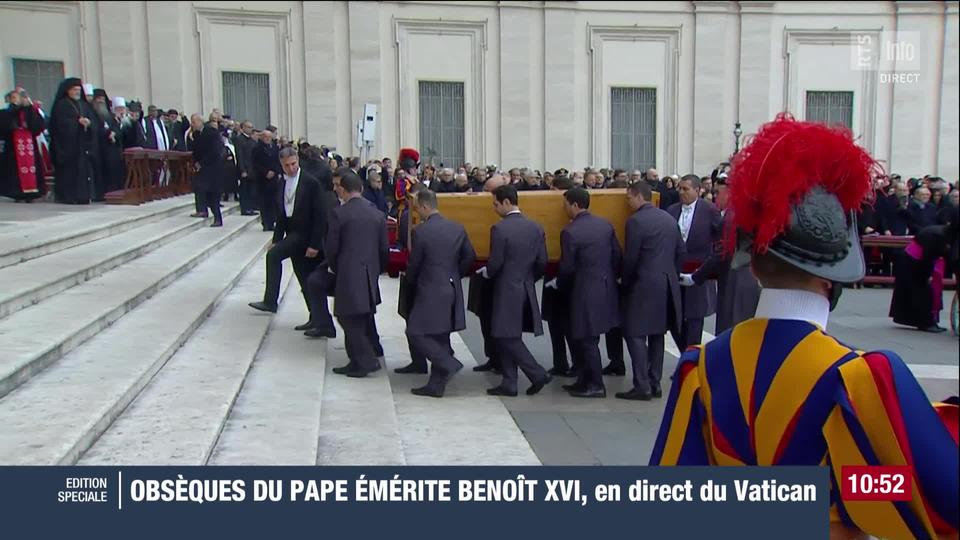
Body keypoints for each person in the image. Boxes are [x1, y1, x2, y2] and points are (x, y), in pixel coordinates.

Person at [651, 114, 958, 540]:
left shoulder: (699, 369)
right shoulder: (860, 377)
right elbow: (940, 498)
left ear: (754, 265)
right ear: (833, 279)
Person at [480, 185, 552, 397]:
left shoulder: (500, 229)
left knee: (505, 336)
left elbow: (495, 263)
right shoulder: (536, 227)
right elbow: (542, 262)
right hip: (525, 287)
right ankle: (509, 382)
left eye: (495, 204)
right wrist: (529, 279)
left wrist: (486, 273)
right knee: (510, 334)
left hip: (506, 289)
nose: (494, 208)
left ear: (506, 202)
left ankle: (536, 373)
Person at [403, 188, 476, 396]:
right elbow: (469, 256)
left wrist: (409, 281)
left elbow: (415, 264)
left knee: (416, 332)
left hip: (429, 288)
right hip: (451, 286)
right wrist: (454, 274)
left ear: (425, 206)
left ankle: (449, 363)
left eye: (418, 208)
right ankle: (436, 385)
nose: (417, 212)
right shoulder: (457, 228)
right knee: (440, 337)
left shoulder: (421, 232)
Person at [616, 181, 684, 401]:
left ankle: (642, 384)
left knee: (634, 333)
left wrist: (624, 282)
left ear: (638, 196)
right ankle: (655, 382)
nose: (627, 202)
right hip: (666, 282)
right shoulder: (668, 218)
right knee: (657, 333)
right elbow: (680, 252)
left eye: (628, 197)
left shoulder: (635, 222)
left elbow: (632, 257)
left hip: (643, 284)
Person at [248, 146, 327, 322]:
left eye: (293, 164)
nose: (291, 168)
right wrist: (276, 239)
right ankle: (317, 319)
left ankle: (270, 301)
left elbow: (320, 215)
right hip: (291, 231)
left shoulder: (311, 182)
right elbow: (281, 214)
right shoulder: (282, 183)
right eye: (286, 166)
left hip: (305, 233)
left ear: (298, 160)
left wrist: (315, 244)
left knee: (273, 256)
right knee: (304, 277)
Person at [557, 188, 621, 398]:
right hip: (605, 287)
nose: (563, 208)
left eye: (565, 204)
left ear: (575, 205)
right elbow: (616, 255)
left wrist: (560, 285)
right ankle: (584, 380)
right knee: (588, 337)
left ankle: (595, 385)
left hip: (583, 290)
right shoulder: (605, 225)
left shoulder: (570, 232)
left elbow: (567, 267)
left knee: (586, 339)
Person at [326, 170, 389, 378]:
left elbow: (332, 248)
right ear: (361, 189)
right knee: (359, 317)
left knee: (346, 317)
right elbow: (384, 249)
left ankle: (366, 360)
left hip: (348, 272)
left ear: (343, 190)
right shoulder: (377, 214)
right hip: (369, 272)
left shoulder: (339, 214)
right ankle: (354, 360)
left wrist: (336, 267)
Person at [681, 174, 761, 334]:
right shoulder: (745, 212)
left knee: (729, 333)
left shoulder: (731, 217)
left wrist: (695, 277)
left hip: (734, 280)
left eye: (718, 193)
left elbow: (720, 253)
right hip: (748, 278)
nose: (715, 198)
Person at [667, 174, 721, 350]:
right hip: (676, 271)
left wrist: (708, 268)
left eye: (685, 189)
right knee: (675, 318)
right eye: (679, 188)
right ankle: (685, 354)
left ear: (697, 190)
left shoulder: (710, 211)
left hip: (698, 273)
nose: (681, 192)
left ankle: (691, 362)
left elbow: (719, 241)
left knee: (694, 320)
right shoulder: (672, 210)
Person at [889, 219, 959, 332]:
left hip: (918, 261)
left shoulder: (945, 234)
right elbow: (927, 257)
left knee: (925, 293)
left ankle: (929, 321)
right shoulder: (938, 235)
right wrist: (928, 274)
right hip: (913, 261)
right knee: (923, 293)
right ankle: (926, 323)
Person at [301, 152, 339, 339]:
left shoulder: (327, 200)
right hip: (326, 253)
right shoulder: (329, 198)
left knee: (314, 282)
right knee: (311, 282)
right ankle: (317, 319)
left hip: (328, 255)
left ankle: (322, 322)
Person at [49, 78, 97, 204]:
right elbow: (59, 125)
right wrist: (77, 123)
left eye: (79, 90)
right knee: (70, 173)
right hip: (68, 148)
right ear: (68, 91)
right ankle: (68, 197)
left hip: (82, 145)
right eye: (75, 90)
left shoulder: (83, 104)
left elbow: (93, 121)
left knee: (83, 172)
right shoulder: (61, 105)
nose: (77, 92)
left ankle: (83, 196)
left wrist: (89, 123)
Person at [0, 89, 46, 202]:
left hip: (29, 142)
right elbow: (4, 126)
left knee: (32, 167)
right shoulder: (6, 112)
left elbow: (38, 125)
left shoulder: (30, 110)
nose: (16, 100)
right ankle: (17, 193)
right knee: (15, 170)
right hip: (13, 145)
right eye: (13, 98)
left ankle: (32, 193)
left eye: (18, 97)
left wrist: (29, 107)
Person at [188, 114, 225, 227]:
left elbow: (215, 151)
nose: (192, 125)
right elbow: (195, 151)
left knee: (212, 195)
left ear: (200, 121)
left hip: (212, 169)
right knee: (199, 188)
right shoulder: (196, 134)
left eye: (194, 122)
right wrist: (196, 163)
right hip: (201, 169)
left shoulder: (211, 132)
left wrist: (202, 163)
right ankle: (202, 210)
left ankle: (218, 218)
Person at [91, 89, 124, 195]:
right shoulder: (91, 113)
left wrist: (114, 133)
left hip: (111, 149)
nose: (101, 101)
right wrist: (107, 133)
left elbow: (117, 128)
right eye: (98, 99)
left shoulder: (109, 115)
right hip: (99, 147)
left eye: (102, 99)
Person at [253, 128, 281, 231]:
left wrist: (275, 171)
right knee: (264, 202)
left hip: (274, 179)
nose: (268, 139)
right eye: (265, 137)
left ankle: (272, 221)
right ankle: (265, 222)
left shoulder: (275, 148)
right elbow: (255, 164)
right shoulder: (257, 148)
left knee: (273, 202)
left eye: (269, 137)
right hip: (262, 179)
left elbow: (278, 162)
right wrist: (265, 172)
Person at [233, 120, 259, 216]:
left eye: (251, 127)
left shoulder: (252, 140)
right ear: (243, 128)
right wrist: (242, 170)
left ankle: (250, 207)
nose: (250, 129)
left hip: (252, 169)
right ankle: (245, 209)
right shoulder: (239, 139)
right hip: (244, 169)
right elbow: (240, 156)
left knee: (251, 190)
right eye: (248, 127)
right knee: (244, 190)